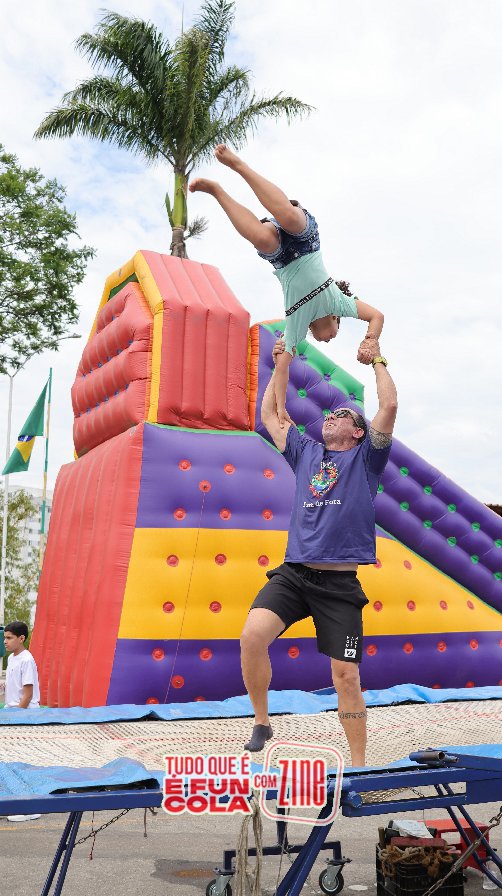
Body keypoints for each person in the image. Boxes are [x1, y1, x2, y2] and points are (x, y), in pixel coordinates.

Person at [239, 339, 397, 765]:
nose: (330, 416)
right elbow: (270, 415)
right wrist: (282, 362)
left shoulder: (367, 459)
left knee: (346, 676)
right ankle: (262, 721)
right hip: (294, 575)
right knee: (252, 636)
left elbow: (389, 405)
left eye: (341, 415)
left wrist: (377, 358)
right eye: (329, 414)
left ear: (358, 432)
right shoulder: (306, 452)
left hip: (339, 585)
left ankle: (359, 765)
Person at [189, 145, 384, 426]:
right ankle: (238, 165)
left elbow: (281, 371)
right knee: (290, 218)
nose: (330, 339)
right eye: (336, 333)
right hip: (306, 242)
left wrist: (281, 409)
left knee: (262, 238)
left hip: (281, 258)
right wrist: (370, 339)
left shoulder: (296, 328)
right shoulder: (338, 302)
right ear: (336, 319)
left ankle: (217, 190)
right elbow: (376, 315)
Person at [3, 620, 42, 821]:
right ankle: (12, 802)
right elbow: (13, 688)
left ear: (21, 638)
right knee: (8, 762)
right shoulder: (12, 658)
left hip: (24, 717)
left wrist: (16, 719)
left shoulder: (27, 660)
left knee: (23, 762)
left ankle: (30, 808)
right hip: (12, 713)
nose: (5, 641)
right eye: (4, 638)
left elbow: (27, 695)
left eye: (9, 638)